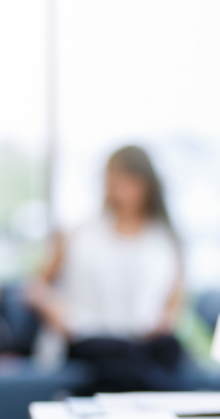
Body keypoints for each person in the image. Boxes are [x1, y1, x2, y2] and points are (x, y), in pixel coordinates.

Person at [28, 145, 183, 391]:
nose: (117, 186)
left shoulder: (164, 242)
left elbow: (173, 308)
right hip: (90, 337)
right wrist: (56, 311)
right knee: (116, 357)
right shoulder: (79, 233)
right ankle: (169, 396)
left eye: (126, 178)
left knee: (169, 348)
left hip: (143, 341)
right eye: (112, 177)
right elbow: (36, 287)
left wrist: (162, 322)